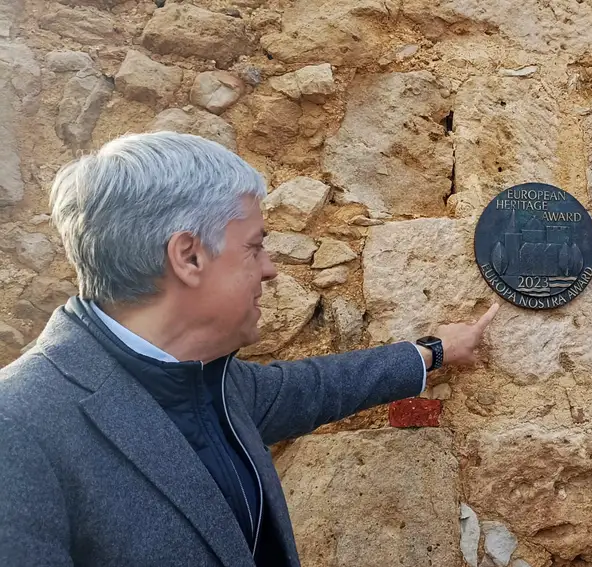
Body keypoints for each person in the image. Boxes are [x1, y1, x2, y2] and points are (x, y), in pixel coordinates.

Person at [0, 131, 499, 566]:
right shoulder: (19, 427)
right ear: (189, 256)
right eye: (254, 246)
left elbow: (316, 387)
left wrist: (434, 351)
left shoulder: (213, 381)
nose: (270, 269)